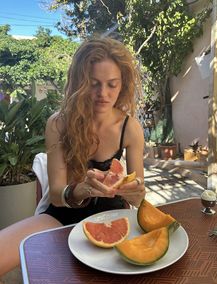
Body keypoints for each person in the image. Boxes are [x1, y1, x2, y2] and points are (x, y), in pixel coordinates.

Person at [0, 37, 146, 276]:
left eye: (112, 84)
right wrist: (81, 189)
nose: (103, 94)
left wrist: (137, 191)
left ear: (123, 84)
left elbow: (139, 195)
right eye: (93, 83)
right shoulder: (58, 124)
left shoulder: (130, 128)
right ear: (79, 82)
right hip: (62, 215)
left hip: (114, 217)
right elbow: (57, 195)